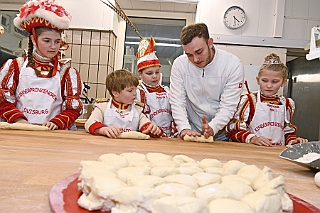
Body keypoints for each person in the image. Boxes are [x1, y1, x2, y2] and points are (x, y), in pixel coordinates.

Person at [0, 0, 83, 130]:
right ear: (34, 39)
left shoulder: (67, 72)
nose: (53, 46)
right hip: (19, 131)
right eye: (47, 41)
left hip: (53, 134)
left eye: (57, 41)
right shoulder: (15, 66)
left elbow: (73, 108)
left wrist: (56, 122)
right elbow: (3, 100)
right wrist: (20, 120)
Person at [169, 22, 244, 140]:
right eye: (189, 55)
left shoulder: (232, 64)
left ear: (210, 43)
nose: (195, 59)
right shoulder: (180, 65)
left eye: (199, 52)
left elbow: (228, 106)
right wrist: (184, 128)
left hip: (220, 134)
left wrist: (213, 127)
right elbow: (177, 101)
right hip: (190, 131)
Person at [226, 53, 308, 146]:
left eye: (275, 81)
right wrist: (253, 139)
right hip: (252, 151)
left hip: (276, 153)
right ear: (258, 80)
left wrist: (293, 141)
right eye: (264, 81)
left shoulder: (287, 104)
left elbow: (287, 132)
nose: (269, 85)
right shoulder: (249, 101)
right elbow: (233, 131)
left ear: (283, 82)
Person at [85, 69, 163, 138]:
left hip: (130, 148)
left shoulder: (137, 109)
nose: (135, 93)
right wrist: (103, 130)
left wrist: (152, 129)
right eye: (130, 91)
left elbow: (145, 124)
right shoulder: (102, 107)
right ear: (115, 93)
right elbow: (90, 123)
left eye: (135, 90)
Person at [135, 36, 178, 137]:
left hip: (169, 137)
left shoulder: (167, 91)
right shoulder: (137, 92)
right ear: (140, 74)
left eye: (157, 72)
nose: (154, 76)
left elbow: (175, 114)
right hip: (148, 136)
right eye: (149, 73)